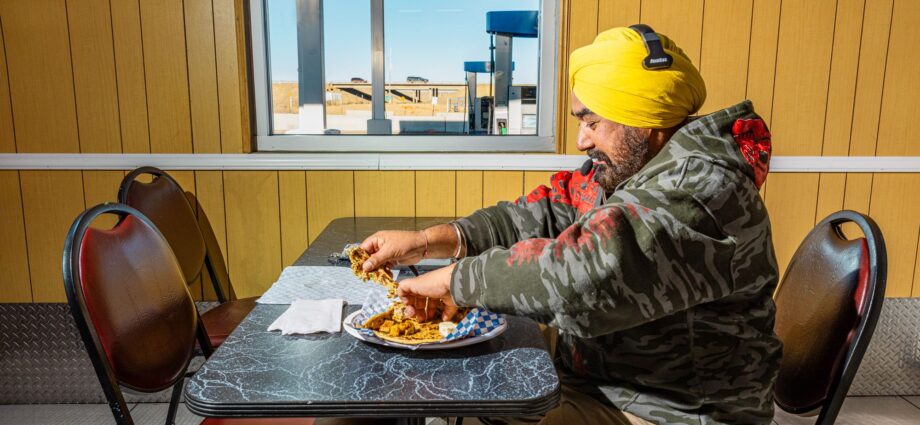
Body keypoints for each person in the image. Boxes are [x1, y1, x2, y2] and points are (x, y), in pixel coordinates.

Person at [357, 26, 781, 425]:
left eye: (592, 122)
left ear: (646, 120)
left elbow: (582, 274)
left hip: (668, 409)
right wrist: (427, 241)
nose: (581, 140)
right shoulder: (629, 168)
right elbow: (537, 214)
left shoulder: (700, 189)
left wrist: (456, 280)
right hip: (599, 379)